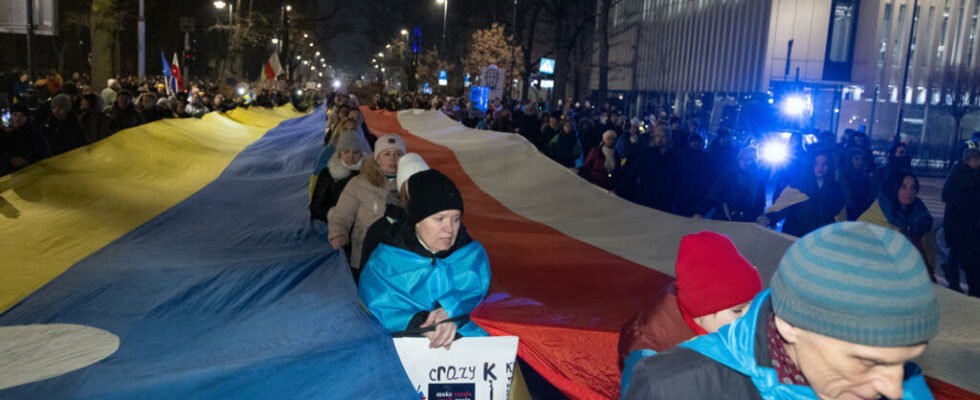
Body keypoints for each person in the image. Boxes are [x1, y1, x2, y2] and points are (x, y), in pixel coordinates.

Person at [625, 222, 939, 400]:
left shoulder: (906, 387)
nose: (892, 386)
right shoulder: (667, 381)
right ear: (791, 326)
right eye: (863, 358)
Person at [618, 231, 762, 397]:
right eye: (737, 311)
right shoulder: (649, 356)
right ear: (702, 310)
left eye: (753, 307)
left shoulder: (721, 324)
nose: (749, 319)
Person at [358, 169, 491, 348]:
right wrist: (421, 324)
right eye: (439, 219)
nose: (450, 229)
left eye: (456, 219)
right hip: (406, 350)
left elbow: (479, 294)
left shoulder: (472, 254)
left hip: (470, 350)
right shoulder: (384, 262)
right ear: (417, 221)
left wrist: (450, 310)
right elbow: (379, 307)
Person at [328, 134, 405, 272]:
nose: (393, 158)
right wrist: (338, 234)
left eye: (398, 154)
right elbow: (342, 215)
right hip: (364, 251)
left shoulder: (410, 185)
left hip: (398, 253)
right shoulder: (358, 183)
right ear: (377, 159)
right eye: (387, 154)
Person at [359, 153, 430, 272]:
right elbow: (367, 273)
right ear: (402, 188)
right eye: (411, 183)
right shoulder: (381, 229)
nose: (419, 188)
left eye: (424, 182)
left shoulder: (440, 222)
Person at [859, 171, 935, 281]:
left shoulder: (922, 217)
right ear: (893, 189)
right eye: (903, 187)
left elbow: (928, 251)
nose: (910, 192)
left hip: (913, 278)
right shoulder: (876, 215)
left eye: (913, 187)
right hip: (882, 278)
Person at [759, 151, 844, 237]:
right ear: (810, 165)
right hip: (797, 235)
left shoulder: (834, 187)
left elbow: (838, 213)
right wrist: (768, 218)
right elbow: (782, 207)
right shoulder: (798, 185)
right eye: (816, 163)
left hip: (821, 237)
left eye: (825, 164)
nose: (820, 167)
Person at [941, 148, 980, 295]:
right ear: (971, 160)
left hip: (967, 222)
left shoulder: (970, 175)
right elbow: (948, 196)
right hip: (960, 223)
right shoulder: (961, 175)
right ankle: (953, 279)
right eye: (976, 160)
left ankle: (954, 277)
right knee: (958, 253)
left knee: (961, 253)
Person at [694, 147, 765, 222]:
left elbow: (760, 203)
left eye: (748, 159)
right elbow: (714, 195)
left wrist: (756, 218)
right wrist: (700, 212)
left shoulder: (759, 181)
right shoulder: (729, 176)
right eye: (741, 159)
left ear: (754, 161)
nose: (744, 162)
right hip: (723, 219)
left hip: (746, 223)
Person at [616, 126, 677, 212]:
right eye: (657, 136)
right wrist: (618, 190)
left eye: (663, 136)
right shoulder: (646, 154)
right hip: (645, 197)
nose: (660, 139)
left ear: (669, 138)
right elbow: (632, 172)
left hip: (664, 200)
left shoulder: (674, 158)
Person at [309, 131, 365, 221]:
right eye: (346, 152)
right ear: (339, 154)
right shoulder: (328, 174)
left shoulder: (367, 172)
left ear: (361, 154)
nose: (351, 156)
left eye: (355, 152)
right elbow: (315, 208)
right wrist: (334, 214)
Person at [1, 103, 51, 175]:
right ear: (11, 116)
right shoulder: (7, 135)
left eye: (22, 115)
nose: (18, 118)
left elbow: (45, 154)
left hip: (32, 174)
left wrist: (27, 160)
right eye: (15, 114)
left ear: (27, 118)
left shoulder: (34, 135)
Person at [674, 133, 712, 217]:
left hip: (696, 189)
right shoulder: (681, 154)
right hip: (683, 188)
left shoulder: (704, 156)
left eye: (698, 142)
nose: (696, 144)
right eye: (694, 141)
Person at [838, 147, 875, 221]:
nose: (860, 162)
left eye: (862, 159)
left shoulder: (864, 176)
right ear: (849, 160)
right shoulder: (843, 176)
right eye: (856, 159)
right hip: (848, 211)